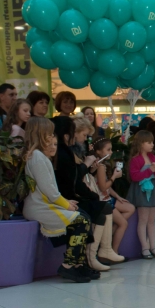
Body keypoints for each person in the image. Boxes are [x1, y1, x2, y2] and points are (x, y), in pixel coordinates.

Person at [20, 116, 92, 283]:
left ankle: (78, 263)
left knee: (83, 217)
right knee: (81, 221)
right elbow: (50, 191)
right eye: (50, 133)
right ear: (40, 133)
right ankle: (69, 265)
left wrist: (65, 203)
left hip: (44, 205)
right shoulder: (37, 157)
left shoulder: (38, 156)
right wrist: (66, 204)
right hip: (40, 207)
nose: (53, 136)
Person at [54, 115, 110, 273]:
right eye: (84, 135)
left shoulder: (67, 151)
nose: (86, 139)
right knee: (88, 215)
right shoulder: (65, 152)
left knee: (98, 210)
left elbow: (74, 178)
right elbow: (73, 178)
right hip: (64, 198)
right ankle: (82, 260)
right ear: (69, 135)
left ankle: (85, 259)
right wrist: (86, 166)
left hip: (67, 196)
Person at [126, 130, 155, 259]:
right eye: (149, 142)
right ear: (141, 143)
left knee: (151, 220)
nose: (152, 145)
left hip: (153, 189)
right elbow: (134, 176)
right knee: (143, 220)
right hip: (142, 191)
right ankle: (145, 247)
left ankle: (153, 246)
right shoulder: (135, 159)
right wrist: (149, 170)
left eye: (152, 142)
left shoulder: (152, 157)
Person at [91, 138, 131, 263]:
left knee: (130, 208)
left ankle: (107, 239)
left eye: (111, 149)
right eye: (108, 150)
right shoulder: (100, 166)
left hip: (107, 198)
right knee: (123, 223)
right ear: (98, 151)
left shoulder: (101, 165)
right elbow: (103, 187)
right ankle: (112, 251)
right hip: (103, 201)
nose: (111, 152)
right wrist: (114, 176)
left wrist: (117, 196)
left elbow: (106, 187)